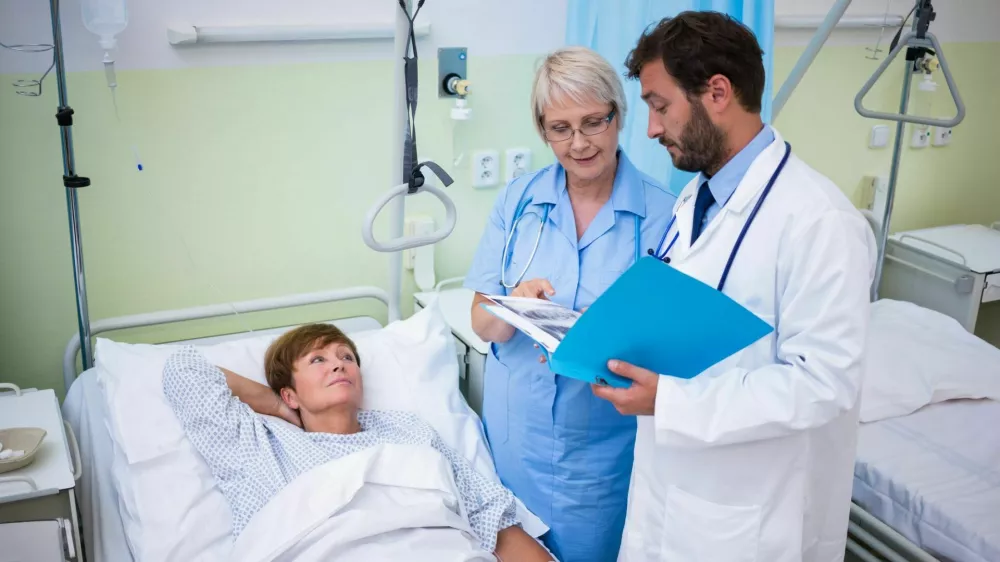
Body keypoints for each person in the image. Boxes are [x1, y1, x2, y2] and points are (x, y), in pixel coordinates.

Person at [589, 12, 878, 562]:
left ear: (717, 93)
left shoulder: (820, 221)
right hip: (670, 494)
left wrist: (670, 400)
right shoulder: (695, 199)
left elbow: (823, 383)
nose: (651, 129)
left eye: (660, 106)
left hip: (747, 518)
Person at [464, 46, 676, 561]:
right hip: (514, 439)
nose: (578, 143)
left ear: (617, 116)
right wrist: (513, 306)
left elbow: (673, 345)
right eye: (560, 128)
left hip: (600, 454)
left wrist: (599, 339)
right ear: (543, 130)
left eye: (592, 123)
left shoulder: (665, 214)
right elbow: (480, 322)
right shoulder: (517, 202)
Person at [161, 323, 553, 561]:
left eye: (347, 357)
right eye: (317, 360)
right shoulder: (261, 444)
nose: (339, 364)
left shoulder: (408, 431)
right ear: (290, 393)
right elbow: (183, 370)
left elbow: (490, 517)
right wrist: (277, 407)